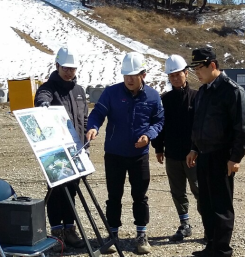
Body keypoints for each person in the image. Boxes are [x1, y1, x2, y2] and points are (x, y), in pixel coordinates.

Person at [86, 52, 164, 255]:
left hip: (139, 156)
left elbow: (159, 121)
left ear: (143, 74)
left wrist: (149, 135)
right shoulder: (111, 93)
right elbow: (97, 113)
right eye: (126, 75)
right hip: (114, 155)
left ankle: (141, 235)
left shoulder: (153, 96)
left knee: (140, 196)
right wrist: (93, 126)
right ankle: (112, 235)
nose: (129, 79)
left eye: (134, 75)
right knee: (114, 196)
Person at [185, 47, 245, 257]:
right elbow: (198, 123)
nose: (197, 73)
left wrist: (235, 158)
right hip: (204, 154)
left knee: (221, 206)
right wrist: (194, 148)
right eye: (194, 68)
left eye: (200, 68)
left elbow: (241, 128)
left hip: (222, 156)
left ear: (213, 65)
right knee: (206, 203)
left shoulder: (232, 91)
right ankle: (211, 245)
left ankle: (222, 251)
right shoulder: (203, 91)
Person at [34, 45, 88, 252]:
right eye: (65, 67)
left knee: (72, 192)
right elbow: (42, 99)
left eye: (72, 68)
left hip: (76, 151)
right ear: (57, 65)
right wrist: (43, 106)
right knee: (56, 192)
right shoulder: (48, 88)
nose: (69, 71)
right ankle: (57, 233)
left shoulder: (79, 91)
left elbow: (83, 119)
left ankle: (70, 230)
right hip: (55, 152)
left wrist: (86, 144)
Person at [151, 55, 200, 242]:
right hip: (172, 154)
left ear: (186, 73)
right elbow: (160, 124)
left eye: (177, 74)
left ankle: (210, 226)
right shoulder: (165, 99)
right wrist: (158, 148)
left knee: (199, 190)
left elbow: (200, 127)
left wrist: (196, 149)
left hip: (193, 155)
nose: (174, 78)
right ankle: (184, 224)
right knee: (177, 191)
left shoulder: (197, 97)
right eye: (171, 76)